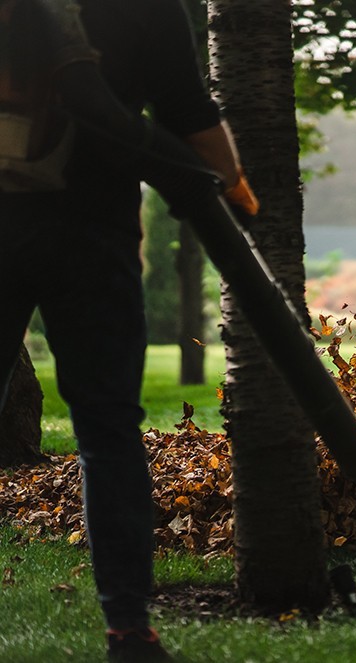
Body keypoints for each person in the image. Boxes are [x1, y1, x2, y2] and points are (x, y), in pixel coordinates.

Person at [0, 0, 256, 660]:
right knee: (108, 431)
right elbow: (185, 109)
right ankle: (128, 629)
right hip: (94, 237)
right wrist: (234, 189)